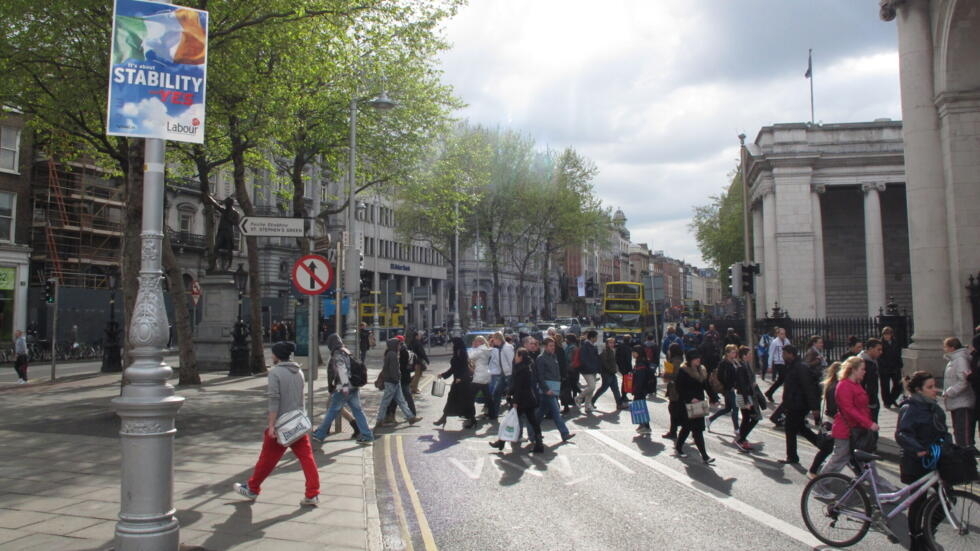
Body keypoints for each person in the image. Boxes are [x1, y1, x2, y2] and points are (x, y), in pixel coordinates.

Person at [234, 342, 320, 506]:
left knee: (266, 460)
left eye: (272, 353)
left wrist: (272, 425)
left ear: (277, 355)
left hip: (281, 425)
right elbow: (300, 398)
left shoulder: (275, 373)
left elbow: (274, 400)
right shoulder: (299, 372)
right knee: (307, 459)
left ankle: (252, 489)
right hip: (297, 424)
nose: (271, 355)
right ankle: (312, 493)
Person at [895, 371, 950, 551]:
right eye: (930, 387)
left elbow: (943, 432)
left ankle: (927, 530)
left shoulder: (934, 408)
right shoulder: (909, 408)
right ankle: (916, 541)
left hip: (934, 459)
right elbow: (902, 434)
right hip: (915, 462)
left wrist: (951, 447)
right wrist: (918, 449)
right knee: (918, 502)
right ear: (919, 390)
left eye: (935, 386)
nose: (935, 390)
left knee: (948, 498)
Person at [819, 356, 879, 475]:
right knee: (838, 460)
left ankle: (880, 488)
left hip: (857, 429)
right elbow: (849, 409)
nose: (864, 372)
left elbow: (862, 408)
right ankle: (819, 485)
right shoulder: (844, 386)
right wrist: (869, 423)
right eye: (862, 369)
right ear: (853, 370)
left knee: (865, 464)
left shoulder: (856, 384)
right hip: (846, 430)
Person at [311, 335, 374, 445]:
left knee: (332, 410)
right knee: (358, 411)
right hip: (354, 386)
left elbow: (342, 370)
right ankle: (367, 435)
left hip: (344, 388)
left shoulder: (338, 354)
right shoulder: (347, 351)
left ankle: (320, 434)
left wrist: (344, 387)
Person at [489, 347, 544, 453]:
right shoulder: (524, 367)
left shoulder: (522, 369)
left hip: (522, 400)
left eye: (516, 355)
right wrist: (509, 393)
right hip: (528, 399)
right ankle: (539, 444)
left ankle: (501, 442)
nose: (515, 357)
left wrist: (515, 402)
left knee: (509, 421)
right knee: (532, 422)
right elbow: (515, 385)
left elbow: (519, 388)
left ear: (520, 357)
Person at [778, 345, 822, 465]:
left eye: (784, 354)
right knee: (800, 428)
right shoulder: (792, 366)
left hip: (798, 404)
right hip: (794, 403)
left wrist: (815, 407)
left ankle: (793, 456)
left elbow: (809, 387)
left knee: (791, 429)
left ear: (791, 354)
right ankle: (822, 446)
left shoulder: (800, 367)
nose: (783, 356)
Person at [674, 350, 714, 464]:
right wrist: (690, 398)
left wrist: (714, 398)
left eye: (699, 358)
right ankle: (702, 455)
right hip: (687, 403)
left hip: (699, 403)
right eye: (696, 358)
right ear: (690, 360)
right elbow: (679, 388)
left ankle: (702, 455)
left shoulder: (701, 370)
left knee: (694, 429)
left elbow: (706, 386)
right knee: (691, 429)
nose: (698, 360)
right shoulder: (683, 371)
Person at [375, 338, 422, 430]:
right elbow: (393, 370)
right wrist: (396, 379)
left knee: (401, 401)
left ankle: (410, 417)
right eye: (398, 344)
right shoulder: (392, 355)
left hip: (394, 382)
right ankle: (379, 420)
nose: (400, 346)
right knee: (386, 401)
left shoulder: (391, 354)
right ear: (394, 345)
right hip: (392, 382)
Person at [534, 337, 575, 443]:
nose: (553, 348)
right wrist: (546, 389)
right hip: (548, 389)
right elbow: (540, 376)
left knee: (541, 412)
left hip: (554, 387)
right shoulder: (541, 358)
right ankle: (564, 433)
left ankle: (533, 428)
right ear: (545, 347)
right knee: (556, 411)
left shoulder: (554, 356)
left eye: (553, 346)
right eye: (551, 346)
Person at [808, 361, 842, 478]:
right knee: (827, 450)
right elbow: (832, 408)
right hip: (832, 422)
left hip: (831, 422)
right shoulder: (835, 386)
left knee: (836, 451)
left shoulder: (833, 384)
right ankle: (813, 471)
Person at [942, 337, 976, 450]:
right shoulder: (953, 360)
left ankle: (967, 455)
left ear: (952, 347)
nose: (944, 349)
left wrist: (949, 392)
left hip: (962, 401)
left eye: (946, 346)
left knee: (963, 432)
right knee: (958, 430)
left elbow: (964, 381)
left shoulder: (961, 360)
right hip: (956, 400)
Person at [434, 337, 476, 429]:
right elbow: (453, 368)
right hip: (457, 381)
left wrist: (461, 378)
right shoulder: (458, 352)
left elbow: (464, 367)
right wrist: (443, 375)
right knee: (451, 399)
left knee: (466, 401)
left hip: (463, 382)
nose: (452, 345)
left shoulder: (461, 352)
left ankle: (472, 420)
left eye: (453, 343)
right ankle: (444, 418)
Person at [707, 344, 740, 436]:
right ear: (728, 353)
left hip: (733, 388)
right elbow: (720, 376)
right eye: (733, 352)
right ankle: (737, 428)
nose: (735, 354)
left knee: (727, 409)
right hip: (728, 389)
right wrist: (728, 385)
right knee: (735, 408)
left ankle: (710, 419)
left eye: (735, 352)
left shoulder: (734, 362)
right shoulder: (723, 363)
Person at [733, 346, 760, 452]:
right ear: (744, 356)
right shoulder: (741, 367)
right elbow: (741, 385)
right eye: (749, 354)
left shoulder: (746, 365)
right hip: (744, 396)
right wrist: (746, 401)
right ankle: (741, 439)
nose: (751, 356)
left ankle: (742, 439)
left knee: (747, 418)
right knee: (752, 418)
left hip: (747, 395)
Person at [661, 342, 686, 440]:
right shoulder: (681, 360)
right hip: (680, 389)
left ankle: (673, 431)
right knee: (676, 409)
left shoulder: (674, 361)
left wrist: (665, 374)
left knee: (673, 410)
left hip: (675, 389)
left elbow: (672, 376)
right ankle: (675, 430)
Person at [593, 337, 625, 410]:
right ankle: (592, 401)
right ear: (607, 343)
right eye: (610, 343)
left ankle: (619, 404)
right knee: (603, 389)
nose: (612, 344)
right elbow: (604, 363)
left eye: (613, 342)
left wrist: (615, 370)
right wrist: (611, 370)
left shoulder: (612, 350)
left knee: (615, 389)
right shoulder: (605, 351)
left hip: (612, 373)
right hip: (606, 373)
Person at [575, 330, 601, 413]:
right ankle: (579, 397)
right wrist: (590, 367)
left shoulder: (593, 346)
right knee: (592, 386)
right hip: (586, 370)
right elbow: (583, 359)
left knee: (591, 389)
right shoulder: (585, 346)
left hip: (593, 370)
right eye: (596, 337)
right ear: (592, 338)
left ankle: (587, 406)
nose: (597, 339)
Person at [860, 338, 884, 423]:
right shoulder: (865, 363)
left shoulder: (871, 361)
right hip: (868, 400)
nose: (881, 352)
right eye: (878, 349)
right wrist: (872, 402)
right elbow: (869, 385)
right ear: (870, 349)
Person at [879, 327, 904, 408]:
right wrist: (884, 364)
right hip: (885, 368)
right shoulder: (880, 344)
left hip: (895, 367)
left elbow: (898, 354)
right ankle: (887, 402)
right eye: (885, 334)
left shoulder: (895, 342)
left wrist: (900, 364)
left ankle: (891, 399)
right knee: (885, 386)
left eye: (888, 334)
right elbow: (879, 357)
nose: (886, 336)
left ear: (891, 335)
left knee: (898, 385)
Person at [469, 336, 493, 418]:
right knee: (487, 396)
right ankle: (492, 413)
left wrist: (472, 347)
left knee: (471, 396)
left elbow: (470, 356)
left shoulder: (480, 350)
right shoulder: (486, 349)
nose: (475, 343)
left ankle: (470, 415)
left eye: (476, 341)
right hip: (485, 373)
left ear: (481, 342)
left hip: (480, 375)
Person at [631, 344, 653, 434]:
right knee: (640, 406)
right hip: (642, 388)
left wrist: (636, 389)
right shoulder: (641, 361)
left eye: (634, 352)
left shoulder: (641, 364)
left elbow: (640, 378)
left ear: (638, 353)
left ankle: (646, 426)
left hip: (640, 389)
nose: (632, 354)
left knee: (640, 407)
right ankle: (643, 425)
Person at [764, 327, 790, 402]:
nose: (783, 335)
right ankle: (785, 397)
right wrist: (769, 366)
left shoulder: (787, 341)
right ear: (778, 334)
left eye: (784, 334)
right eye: (781, 334)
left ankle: (769, 392)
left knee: (781, 380)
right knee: (785, 378)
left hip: (786, 362)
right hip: (778, 362)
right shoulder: (775, 342)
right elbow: (771, 354)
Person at [561, 334, 580, 413]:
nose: (565, 340)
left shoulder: (571, 348)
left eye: (566, 339)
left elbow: (569, 359)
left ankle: (568, 405)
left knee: (568, 388)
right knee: (573, 386)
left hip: (570, 370)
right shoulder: (573, 347)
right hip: (573, 370)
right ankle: (574, 399)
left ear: (569, 340)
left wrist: (567, 367)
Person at [616, 335, 634, 399]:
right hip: (625, 367)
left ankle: (624, 395)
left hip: (621, 366)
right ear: (629, 340)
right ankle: (624, 395)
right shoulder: (628, 348)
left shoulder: (620, 346)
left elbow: (617, 357)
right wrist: (630, 369)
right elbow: (628, 359)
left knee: (624, 381)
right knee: (625, 381)